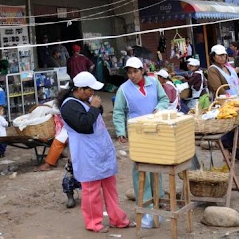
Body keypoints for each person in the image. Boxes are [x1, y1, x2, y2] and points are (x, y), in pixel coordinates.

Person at [60, 71, 133, 233]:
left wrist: (96, 107)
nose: (92, 93)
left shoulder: (84, 101)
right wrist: (94, 107)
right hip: (87, 155)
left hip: (101, 152)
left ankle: (118, 219)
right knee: (91, 191)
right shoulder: (69, 106)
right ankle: (94, 223)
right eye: (89, 90)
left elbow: (94, 116)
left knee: (110, 187)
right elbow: (84, 125)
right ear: (79, 89)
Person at [113, 57, 169, 208]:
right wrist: (120, 131)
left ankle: (158, 197)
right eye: (129, 72)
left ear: (142, 71)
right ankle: (144, 201)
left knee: (156, 163)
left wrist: (160, 108)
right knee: (141, 166)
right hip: (137, 132)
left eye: (135, 71)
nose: (132, 75)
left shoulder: (154, 83)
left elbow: (164, 99)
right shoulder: (123, 90)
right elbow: (118, 112)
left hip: (155, 128)